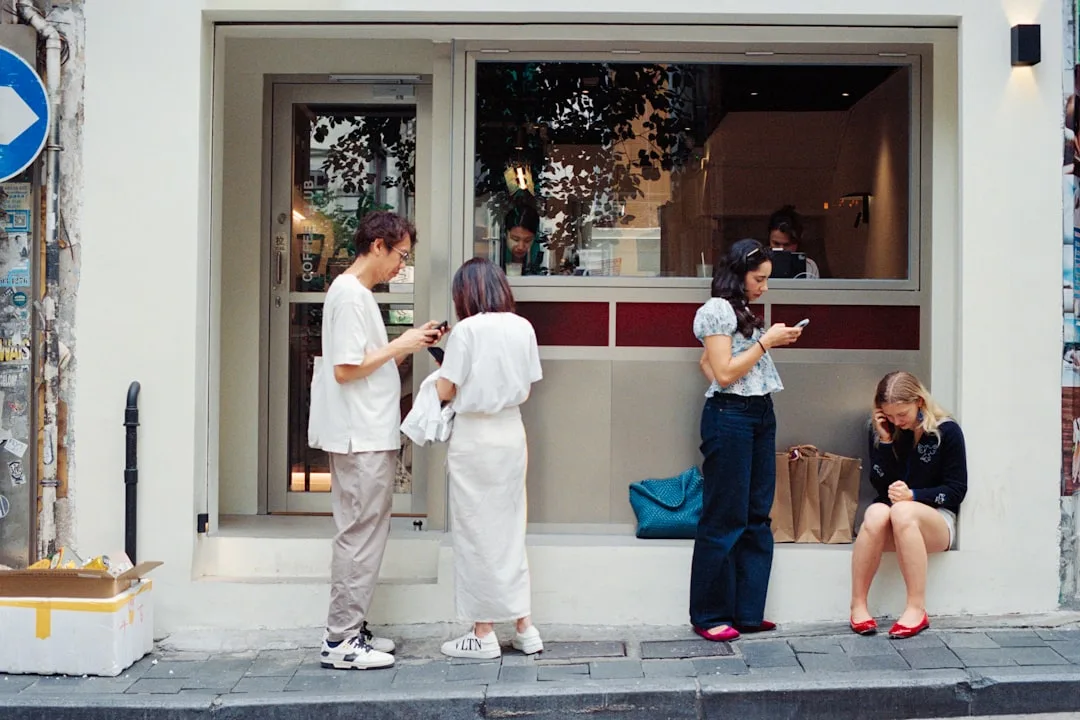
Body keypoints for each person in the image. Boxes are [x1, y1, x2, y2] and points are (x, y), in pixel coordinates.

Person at [307, 211, 444, 670]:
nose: (401, 266)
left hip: (365, 432)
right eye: (401, 255)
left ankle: (351, 629)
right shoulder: (348, 296)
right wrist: (401, 345)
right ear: (379, 245)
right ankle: (341, 639)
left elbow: (359, 364)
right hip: (358, 436)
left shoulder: (356, 294)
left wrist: (404, 347)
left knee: (363, 531)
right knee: (360, 535)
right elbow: (345, 369)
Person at [690, 238, 803, 642]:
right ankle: (708, 615)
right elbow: (722, 373)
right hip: (732, 415)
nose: (764, 287)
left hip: (757, 412)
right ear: (739, 274)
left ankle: (747, 612)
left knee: (757, 514)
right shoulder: (718, 309)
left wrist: (767, 345)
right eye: (759, 279)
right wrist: (765, 342)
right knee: (725, 516)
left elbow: (709, 363)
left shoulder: (739, 311)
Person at [436, 258, 544, 659]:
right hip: (511, 433)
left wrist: (440, 371)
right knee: (510, 530)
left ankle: (482, 633)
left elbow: (447, 389)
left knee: (477, 534)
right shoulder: (523, 327)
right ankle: (525, 626)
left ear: (466, 293)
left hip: (475, 437)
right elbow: (527, 389)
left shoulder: (466, 331)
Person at [849, 371, 968, 639]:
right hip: (896, 519)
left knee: (902, 511)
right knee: (876, 512)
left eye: (902, 414)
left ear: (919, 402)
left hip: (935, 521)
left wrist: (914, 495)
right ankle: (858, 605)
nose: (897, 421)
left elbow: (956, 490)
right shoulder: (885, 430)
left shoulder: (946, 431)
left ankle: (916, 608)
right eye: (889, 416)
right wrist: (885, 442)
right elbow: (881, 485)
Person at [767, 205, 820, 279]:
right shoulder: (758, 265)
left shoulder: (809, 266)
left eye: (787, 245)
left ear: (797, 242)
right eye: (776, 243)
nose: (781, 248)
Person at [503, 203, 544, 275]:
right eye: (515, 239)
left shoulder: (540, 265)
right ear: (505, 234)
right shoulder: (494, 262)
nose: (521, 247)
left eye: (527, 240)